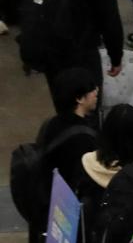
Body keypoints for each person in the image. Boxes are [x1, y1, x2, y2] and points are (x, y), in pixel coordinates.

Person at [35, 67, 101, 196]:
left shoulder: (50, 124)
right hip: (69, 201)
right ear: (79, 98)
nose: (96, 91)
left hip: (49, 196)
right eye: (92, 88)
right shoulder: (84, 138)